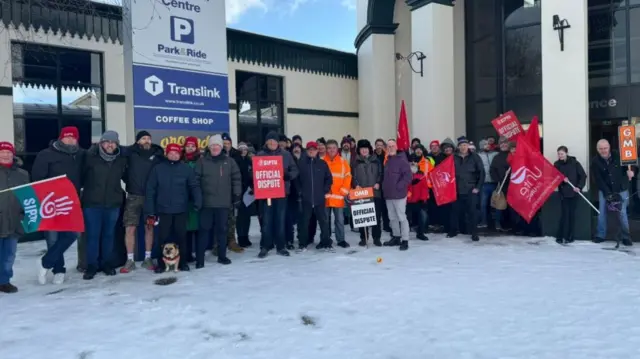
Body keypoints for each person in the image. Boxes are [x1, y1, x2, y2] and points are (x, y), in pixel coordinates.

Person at [33, 126, 85, 285]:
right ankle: (59, 269)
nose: (70, 140)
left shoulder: (81, 155)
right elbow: (37, 178)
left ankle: (45, 262)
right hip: (51, 202)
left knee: (73, 234)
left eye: (73, 137)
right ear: (60, 138)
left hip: (72, 203)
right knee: (53, 237)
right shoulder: (46, 155)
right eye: (67, 137)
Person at [145, 143, 201, 272]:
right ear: (167, 154)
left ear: (180, 154)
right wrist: (150, 210)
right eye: (171, 153)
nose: (174, 155)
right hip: (163, 210)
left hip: (181, 209)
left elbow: (194, 186)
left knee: (181, 237)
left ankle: (182, 263)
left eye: (176, 153)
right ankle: (160, 264)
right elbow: (150, 190)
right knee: (162, 238)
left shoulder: (186, 168)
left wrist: (198, 200)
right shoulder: (158, 169)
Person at [81, 131, 128, 280]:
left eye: (113, 142)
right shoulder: (90, 157)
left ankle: (106, 263)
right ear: (101, 143)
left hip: (112, 203)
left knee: (109, 236)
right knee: (93, 236)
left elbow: (128, 176)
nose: (110, 145)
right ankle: (92, 266)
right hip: (92, 204)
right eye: (107, 142)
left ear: (117, 144)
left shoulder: (121, 159)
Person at [195, 135, 241, 267]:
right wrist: (198, 197)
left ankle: (222, 256)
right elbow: (195, 181)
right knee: (203, 231)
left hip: (223, 203)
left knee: (222, 231)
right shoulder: (202, 161)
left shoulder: (229, 161)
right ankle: (200, 260)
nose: (215, 147)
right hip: (206, 203)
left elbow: (236, 178)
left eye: (217, 145)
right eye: (212, 145)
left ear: (221, 147)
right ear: (209, 147)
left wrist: (237, 194)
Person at [121, 131, 164, 273]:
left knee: (149, 228)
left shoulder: (158, 155)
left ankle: (147, 258)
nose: (146, 141)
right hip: (133, 196)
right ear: (138, 141)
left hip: (151, 198)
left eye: (148, 138)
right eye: (143, 138)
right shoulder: (130, 154)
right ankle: (130, 260)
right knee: (130, 228)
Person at [256, 132, 299, 258]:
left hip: (281, 193)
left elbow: (295, 170)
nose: (272, 144)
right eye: (269, 142)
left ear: (277, 143)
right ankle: (266, 245)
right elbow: (254, 172)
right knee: (266, 221)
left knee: (280, 220)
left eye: (274, 142)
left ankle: (281, 246)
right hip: (266, 194)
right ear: (266, 142)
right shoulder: (260, 155)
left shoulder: (286, 154)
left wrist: (288, 176)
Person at [591, 139, 634, 245]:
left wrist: (632, 171)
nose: (603, 150)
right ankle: (600, 235)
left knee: (622, 213)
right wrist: (607, 193)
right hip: (605, 190)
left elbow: (630, 166)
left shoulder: (619, 156)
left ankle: (626, 237)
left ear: (609, 147)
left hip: (621, 189)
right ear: (597, 149)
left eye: (605, 148)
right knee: (602, 213)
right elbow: (598, 179)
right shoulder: (595, 161)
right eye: (600, 149)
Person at [0, 142, 29, 293]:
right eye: (2, 152)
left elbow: (28, 197)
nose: (5, 155)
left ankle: (4, 281)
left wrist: (24, 215)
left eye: (8, 152)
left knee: (9, 254)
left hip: (15, 220)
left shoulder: (23, 174)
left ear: (13, 154)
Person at [296, 141, 333, 250]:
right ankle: (303, 243)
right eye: (309, 149)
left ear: (317, 151)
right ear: (306, 151)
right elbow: (296, 180)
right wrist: (300, 191)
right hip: (306, 199)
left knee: (323, 222)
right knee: (304, 222)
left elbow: (329, 178)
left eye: (314, 149)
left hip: (319, 199)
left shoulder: (322, 164)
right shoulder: (301, 163)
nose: (312, 151)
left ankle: (325, 242)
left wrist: (325, 190)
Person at [448, 136, 484, 241]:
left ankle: (474, 233)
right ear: (458, 147)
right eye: (461, 145)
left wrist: (477, 187)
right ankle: (453, 231)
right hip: (456, 189)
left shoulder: (475, 157)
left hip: (471, 189)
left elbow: (481, 173)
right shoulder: (453, 157)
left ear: (468, 146)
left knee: (472, 212)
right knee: (454, 211)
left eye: (465, 145)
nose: (463, 147)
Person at [352, 139, 383, 246]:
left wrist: (378, 182)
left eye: (366, 148)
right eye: (362, 148)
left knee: (376, 216)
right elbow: (353, 176)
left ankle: (376, 237)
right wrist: (356, 185)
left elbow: (380, 173)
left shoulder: (376, 160)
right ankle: (364, 237)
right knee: (363, 217)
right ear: (359, 150)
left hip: (375, 192)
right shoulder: (355, 162)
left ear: (369, 149)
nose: (364, 150)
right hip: (362, 193)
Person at [382, 139, 412, 250]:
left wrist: (399, 186)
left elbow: (408, 177)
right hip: (388, 195)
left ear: (396, 146)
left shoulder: (402, 160)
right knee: (392, 217)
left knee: (401, 217)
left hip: (399, 195)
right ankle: (396, 236)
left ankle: (405, 240)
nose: (390, 148)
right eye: (388, 146)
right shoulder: (387, 161)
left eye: (392, 146)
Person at [554, 146, 587, 244]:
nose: (560, 156)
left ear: (566, 153)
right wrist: (561, 180)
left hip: (574, 193)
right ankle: (560, 236)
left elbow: (583, 176)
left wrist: (579, 187)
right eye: (559, 154)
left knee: (571, 215)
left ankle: (570, 236)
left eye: (562, 154)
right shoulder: (556, 164)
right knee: (564, 215)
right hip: (563, 194)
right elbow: (554, 178)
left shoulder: (574, 163)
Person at [324, 139, 352, 249]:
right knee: (325, 220)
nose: (331, 150)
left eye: (333, 148)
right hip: (325, 196)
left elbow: (348, 176)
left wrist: (344, 190)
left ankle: (341, 240)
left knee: (339, 220)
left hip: (338, 196)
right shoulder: (322, 161)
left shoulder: (342, 162)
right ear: (326, 149)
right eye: (329, 148)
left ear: (337, 149)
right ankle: (326, 239)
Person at [222, 133, 244, 254]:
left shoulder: (237, 155)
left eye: (228, 144)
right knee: (219, 221)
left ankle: (231, 241)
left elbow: (239, 175)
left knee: (232, 219)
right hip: (219, 193)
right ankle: (219, 243)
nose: (226, 146)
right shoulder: (214, 156)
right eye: (224, 144)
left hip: (232, 193)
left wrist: (238, 192)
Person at [183, 137, 201, 262]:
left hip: (197, 198)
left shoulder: (201, 161)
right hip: (183, 199)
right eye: (188, 145)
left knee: (198, 228)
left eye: (193, 146)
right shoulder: (180, 160)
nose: (190, 148)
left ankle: (199, 254)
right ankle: (187, 254)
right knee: (185, 230)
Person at [489, 137, 511, 231]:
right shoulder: (496, 157)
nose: (504, 145)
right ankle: (499, 223)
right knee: (500, 205)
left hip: (513, 184)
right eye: (501, 143)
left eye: (505, 143)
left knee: (511, 206)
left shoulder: (513, 155)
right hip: (501, 185)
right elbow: (492, 170)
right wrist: (497, 180)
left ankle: (511, 224)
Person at [235, 142, 254, 248]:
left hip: (248, 192)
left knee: (247, 216)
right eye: (241, 149)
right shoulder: (235, 161)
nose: (243, 151)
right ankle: (241, 237)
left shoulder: (249, 161)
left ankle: (246, 236)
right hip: (239, 191)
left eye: (245, 149)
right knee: (240, 217)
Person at [477, 139, 498, 229]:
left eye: (488, 144)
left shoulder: (495, 154)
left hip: (495, 183)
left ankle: (497, 223)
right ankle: (483, 221)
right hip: (483, 183)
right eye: (485, 144)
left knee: (497, 204)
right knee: (483, 204)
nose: (488, 145)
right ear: (481, 146)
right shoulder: (477, 156)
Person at [407, 160, 429, 241]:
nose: (413, 167)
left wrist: (423, 200)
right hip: (408, 201)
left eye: (414, 165)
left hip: (419, 201)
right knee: (405, 218)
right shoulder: (405, 176)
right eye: (411, 165)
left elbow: (425, 189)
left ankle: (420, 233)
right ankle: (404, 233)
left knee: (423, 216)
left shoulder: (421, 176)